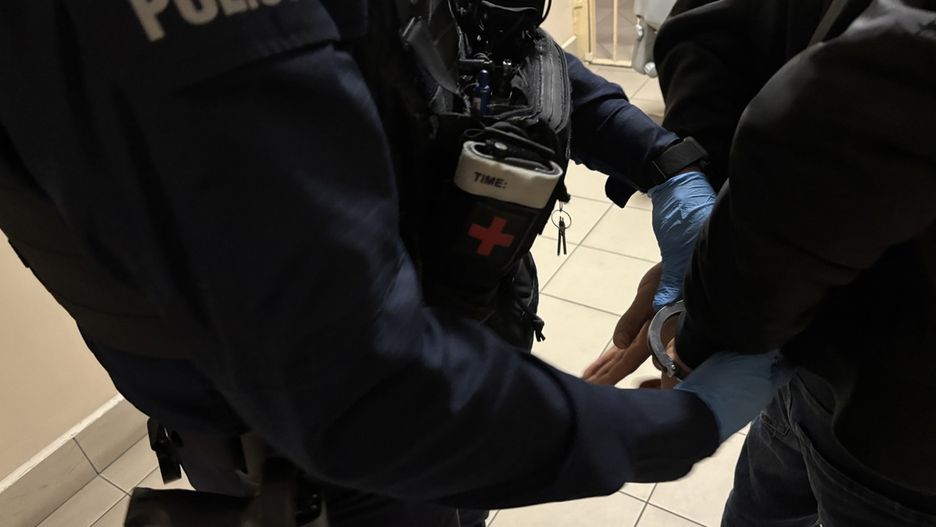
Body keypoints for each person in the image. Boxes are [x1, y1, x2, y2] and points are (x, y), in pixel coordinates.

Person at [0, 1, 787, 525]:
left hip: (456, 363)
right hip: (335, 464)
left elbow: (473, 42)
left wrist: (661, 159)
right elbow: (364, 384)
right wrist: (680, 424)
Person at [584, 0, 936, 525]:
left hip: (897, 420)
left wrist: (709, 323)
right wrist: (704, 207)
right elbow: (715, 23)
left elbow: (870, 111)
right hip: (802, 351)